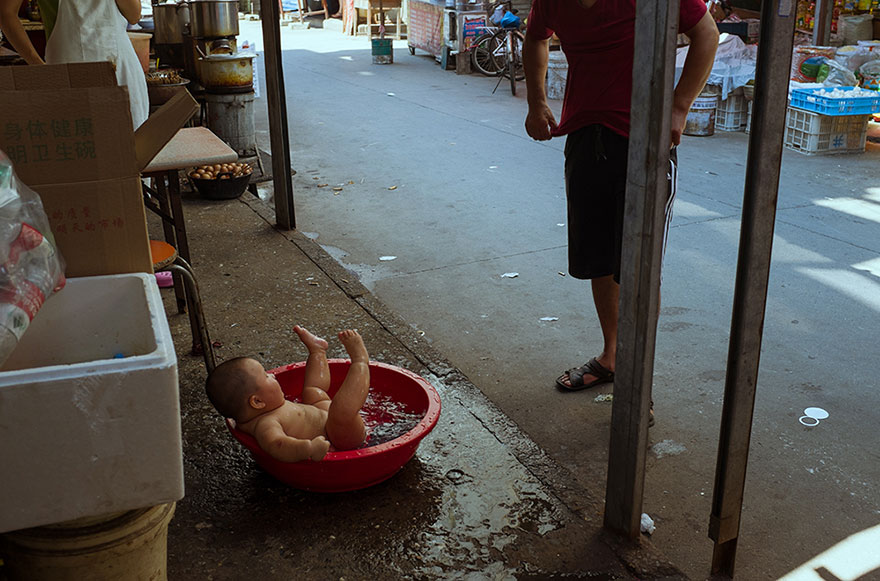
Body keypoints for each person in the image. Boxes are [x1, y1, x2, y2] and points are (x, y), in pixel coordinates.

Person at [522, 0, 718, 393]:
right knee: (599, 259)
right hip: (584, 136)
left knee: (638, 268)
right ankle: (613, 356)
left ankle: (637, 378)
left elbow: (707, 34)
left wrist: (679, 106)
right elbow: (535, 39)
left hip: (644, 142)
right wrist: (536, 101)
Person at [205, 326, 370, 463]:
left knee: (313, 391)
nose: (273, 375)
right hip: (341, 438)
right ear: (257, 401)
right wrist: (308, 449)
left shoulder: (265, 411)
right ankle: (360, 360)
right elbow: (278, 445)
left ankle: (318, 351)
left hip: (322, 416)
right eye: (266, 375)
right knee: (341, 412)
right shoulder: (265, 425)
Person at [0, 0, 148, 128]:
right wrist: (38, 66)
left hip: (121, 68)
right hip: (66, 72)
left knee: (130, 147)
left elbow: (134, 15)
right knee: (79, 146)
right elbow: (6, 13)